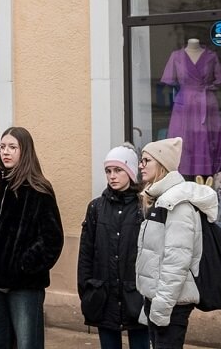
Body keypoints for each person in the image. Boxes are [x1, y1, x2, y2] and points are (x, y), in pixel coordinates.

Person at [0, 126, 63, 349]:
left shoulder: (39, 190)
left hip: (23, 287)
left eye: (12, 147)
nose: (6, 152)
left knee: (27, 343)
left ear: (24, 151)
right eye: (3, 147)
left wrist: (21, 266)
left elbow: (52, 240)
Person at [134, 137, 216, 349]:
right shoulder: (159, 199)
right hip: (159, 300)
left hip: (171, 304)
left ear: (162, 165)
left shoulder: (177, 204)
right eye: (141, 161)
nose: (141, 166)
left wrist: (161, 307)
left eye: (146, 161)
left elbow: (177, 260)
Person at [78, 144, 148, 349]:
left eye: (118, 170)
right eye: (108, 171)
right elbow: (86, 253)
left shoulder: (144, 207)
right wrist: (88, 290)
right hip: (103, 296)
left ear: (131, 171)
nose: (112, 176)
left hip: (135, 295)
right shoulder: (96, 207)